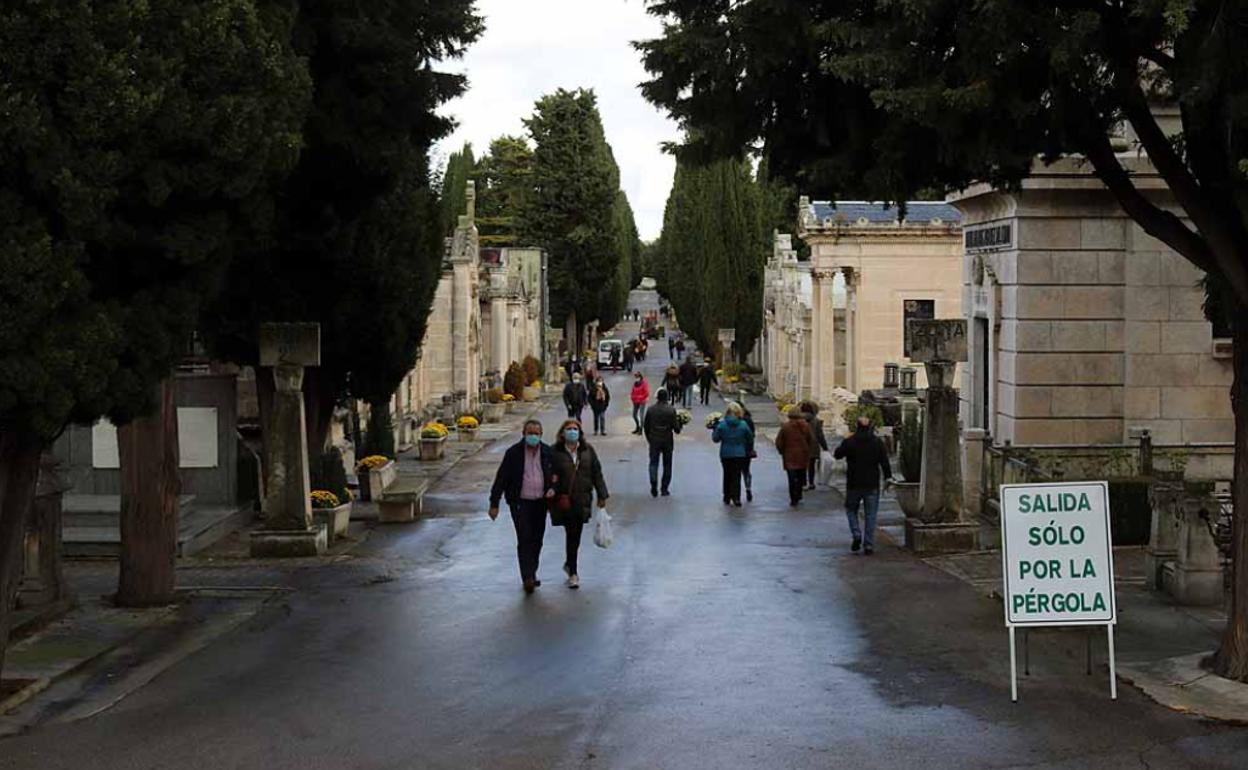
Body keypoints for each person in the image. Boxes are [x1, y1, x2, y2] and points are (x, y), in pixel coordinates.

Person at [488, 420, 557, 594]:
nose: (533, 436)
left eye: (536, 433)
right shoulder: (514, 453)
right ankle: (527, 577)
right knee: (524, 537)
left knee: (537, 539)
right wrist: (494, 503)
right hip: (520, 502)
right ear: (524, 434)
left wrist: (552, 489)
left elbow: (556, 476)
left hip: (540, 502)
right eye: (530, 432)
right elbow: (501, 478)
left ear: (541, 435)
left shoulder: (548, 452)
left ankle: (532, 571)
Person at [550, 420, 609, 589]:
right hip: (564, 500)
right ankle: (573, 571)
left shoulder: (587, 451)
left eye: (575, 429)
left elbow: (596, 472)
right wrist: (552, 488)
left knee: (575, 535)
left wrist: (602, 494)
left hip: (582, 499)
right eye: (569, 429)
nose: (572, 432)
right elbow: (549, 473)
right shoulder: (554, 452)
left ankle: (570, 565)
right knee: (572, 534)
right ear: (562, 433)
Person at [834, 413, 894, 555]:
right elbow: (884, 462)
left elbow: (837, 454)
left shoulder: (850, 441)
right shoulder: (877, 442)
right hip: (872, 483)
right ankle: (868, 544)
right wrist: (888, 477)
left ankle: (856, 533)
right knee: (871, 515)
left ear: (857, 427)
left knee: (851, 510)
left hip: (854, 482)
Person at [712, 402, 753, 506]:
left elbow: (715, 439)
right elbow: (750, 438)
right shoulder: (743, 425)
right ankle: (736, 497)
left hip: (726, 453)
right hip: (739, 453)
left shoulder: (722, 424)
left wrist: (714, 429)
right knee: (736, 475)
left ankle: (726, 496)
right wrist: (746, 447)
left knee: (727, 474)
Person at [775, 406, 817, 507]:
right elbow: (811, 439)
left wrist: (782, 451)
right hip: (803, 454)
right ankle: (799, 494)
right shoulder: (805, 426)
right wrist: (808, 450)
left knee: (791, 478)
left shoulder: (785, 427)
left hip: (789, 455)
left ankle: (793, 498)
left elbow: (779, 442)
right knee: (801, 476)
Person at [643, 389, 681, 497]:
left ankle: (653, 484)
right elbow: (676, 429)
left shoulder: (651, 410)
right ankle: (664, 488)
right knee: (667, 465)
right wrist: (680, 425)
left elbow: (646, 426)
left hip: (654, 440)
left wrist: (649, 439)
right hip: (667, 440)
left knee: (653, 463)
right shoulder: (671, 410)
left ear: (657, 397)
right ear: (667, 397)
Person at [799, 400, 830, 490]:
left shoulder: (798, 420)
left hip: (801, 445)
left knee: (802, 465)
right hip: (813, 445)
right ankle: (811, 482)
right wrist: (825, 447)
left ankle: (803, 483)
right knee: (811, 465)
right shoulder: (816, 421)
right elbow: (820, 435)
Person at [741, 404, 757, 503]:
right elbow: (752, 436)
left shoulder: (741, 421)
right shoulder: (748, 420)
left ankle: (735, 492)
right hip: (747, 449)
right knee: (746, 470)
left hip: (741, 449)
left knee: (736, 472)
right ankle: (748, 489)